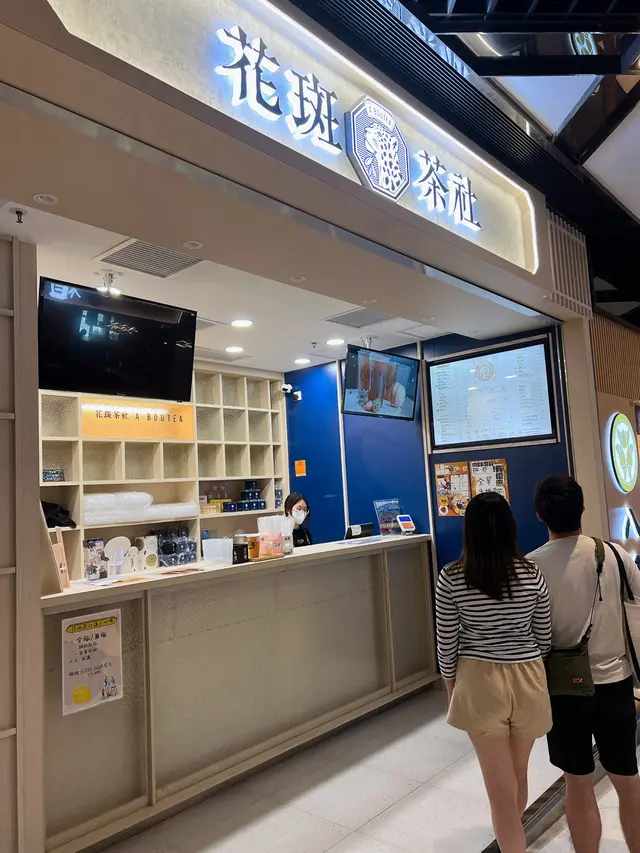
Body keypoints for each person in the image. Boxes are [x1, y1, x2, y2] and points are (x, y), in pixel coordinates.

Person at [528, 475, 640, 853]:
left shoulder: (531, 567)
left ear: (539, 515)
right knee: (626, 778)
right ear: (582, 508)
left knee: (576, 780)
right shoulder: (615, 555)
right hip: (616, 681)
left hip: (563, 689)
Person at [436, 492, 552, 853]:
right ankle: (514, 836)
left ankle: (511, 842)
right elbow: (544, 636)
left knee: (500, 791)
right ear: (510, 527)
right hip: (529, 677)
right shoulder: (532, 573)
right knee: (518, 774)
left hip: (479, 681)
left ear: (468, 530)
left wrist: (451, 686)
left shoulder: (451, 577)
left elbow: (447, 643)